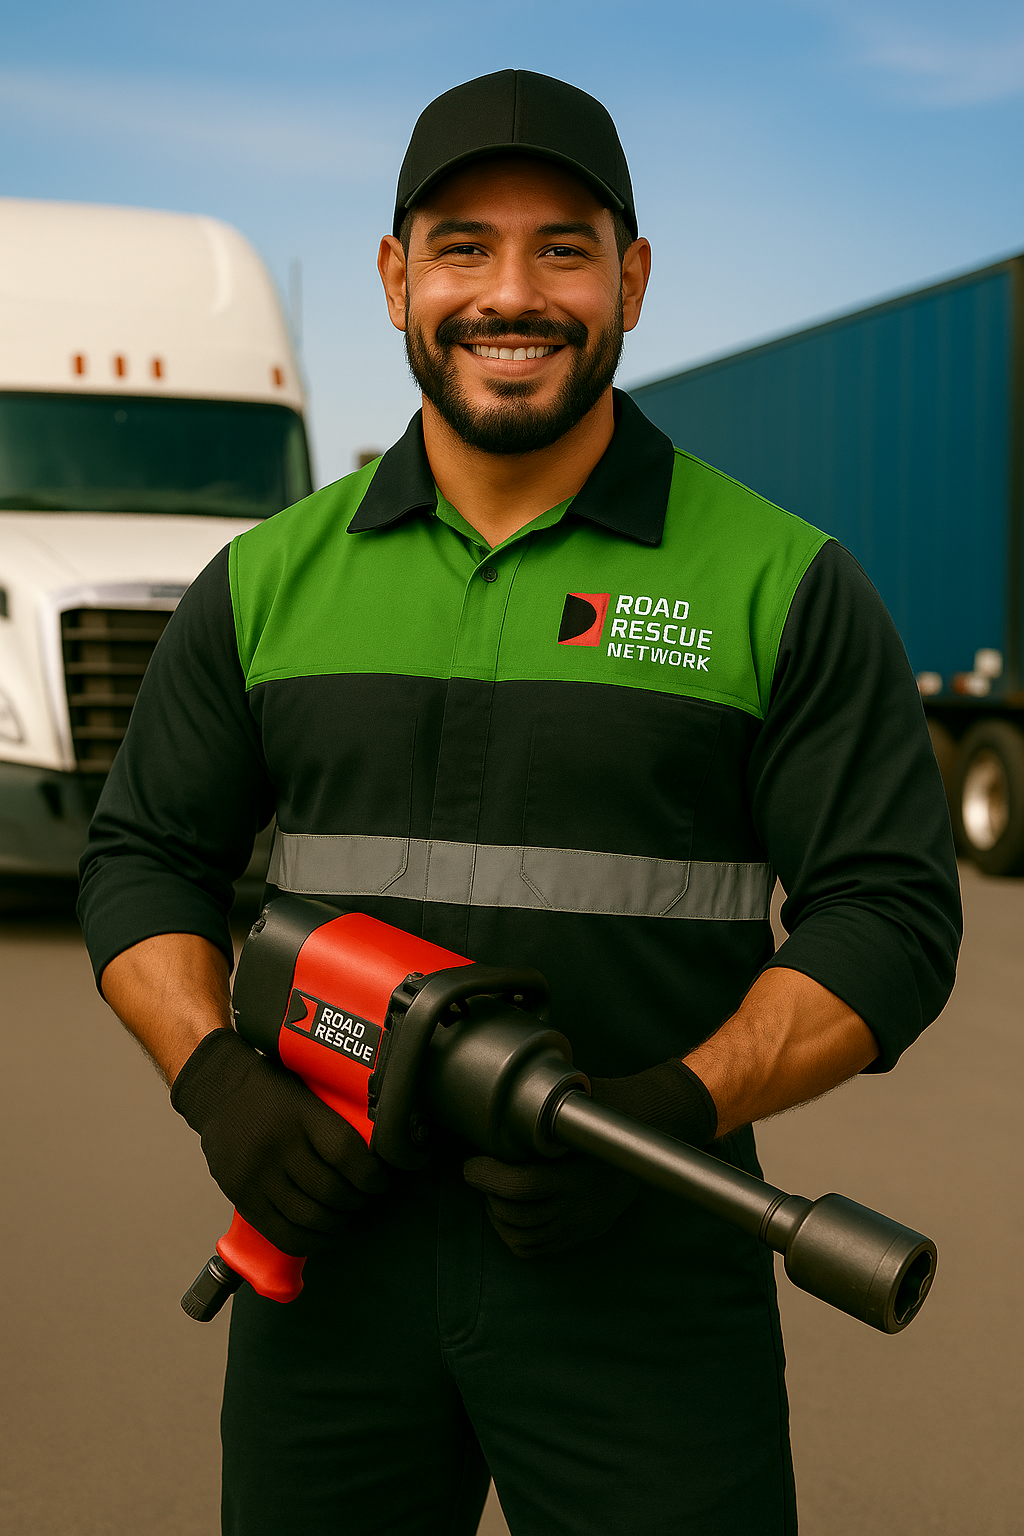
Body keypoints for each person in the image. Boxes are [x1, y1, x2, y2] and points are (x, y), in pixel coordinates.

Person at [79, 69, 961, 1536]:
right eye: (463, 246)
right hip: (328, 1266)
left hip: (648, 1275)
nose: (513, 292)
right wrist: (216, 1086)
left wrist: (675, 1108)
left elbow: (891, 920)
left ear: (633, 278)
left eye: (563, 247)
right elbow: (139, 866)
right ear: (394, 277)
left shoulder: (781, 583)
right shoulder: (263, 584)